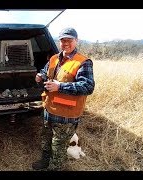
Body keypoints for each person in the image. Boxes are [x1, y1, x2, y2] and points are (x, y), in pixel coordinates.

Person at [32, 27, 95, 171]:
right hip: (49, 110)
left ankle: (54, 168)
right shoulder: (54, 58)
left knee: (59, 148)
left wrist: (59, 86)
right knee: (46, 141)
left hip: (67, 114)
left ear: (76, 41)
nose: (65, 43)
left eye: (69, 40)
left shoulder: (83, 62)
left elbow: (88, 86)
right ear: (59, 42)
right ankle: (44, 161)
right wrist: (40, 75)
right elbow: (45, 70)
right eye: (62, 40)